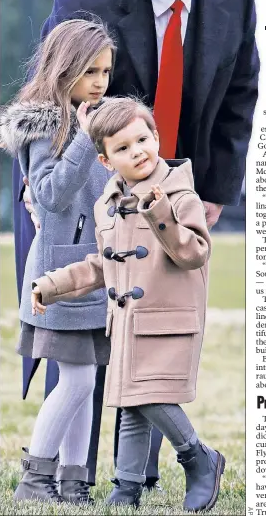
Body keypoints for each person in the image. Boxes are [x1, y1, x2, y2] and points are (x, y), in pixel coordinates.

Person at [13, 0, 259, 488]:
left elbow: (239, 96)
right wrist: (41, 185)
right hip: (85, 192)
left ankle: (132, 479)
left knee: (150, 336)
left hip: (176, 191)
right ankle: (69, 477)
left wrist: (214, 193)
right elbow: (54, 94)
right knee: (82, 346)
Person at [32, 96, 225, 513]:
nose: (137, 150)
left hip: (169, 320)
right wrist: (52, 284)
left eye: (142, 139)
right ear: (105, 161)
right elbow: (102, 265)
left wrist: (161, 215)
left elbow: (194, 253)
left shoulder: (178, 192)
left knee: (149, 395)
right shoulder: (109, 204)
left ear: (156, 137)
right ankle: (127, 486)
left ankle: (199, 458)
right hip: (128, 321)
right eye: (122, 148)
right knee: (130, 403)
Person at [1, 18, 116, 504]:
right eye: (89, 71)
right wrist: (88, 141)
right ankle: (34, 480)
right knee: (78, 379)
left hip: (93, 273)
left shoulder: (92, 116)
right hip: (59, 275)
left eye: (106, 72)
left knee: (86, 383)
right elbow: (48, 195)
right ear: (62, 67)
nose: (99, 82)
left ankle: (72, 484)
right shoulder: (45, 123)